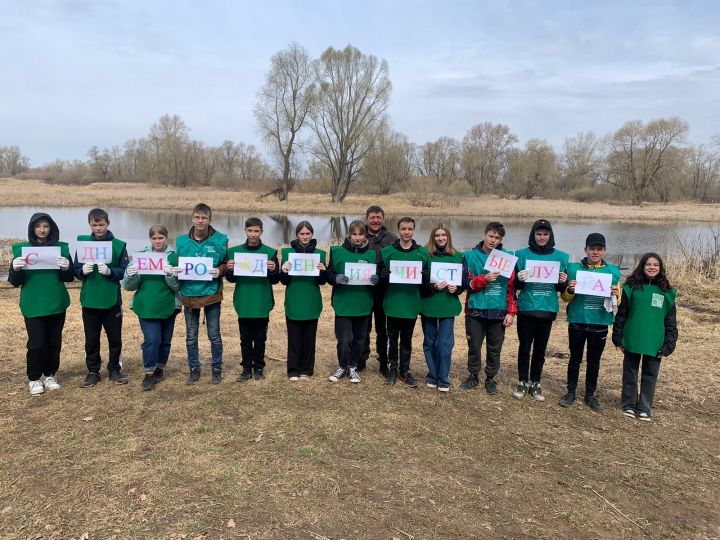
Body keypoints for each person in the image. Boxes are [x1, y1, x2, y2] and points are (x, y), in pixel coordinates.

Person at [9, 213, 74, 395]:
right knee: (37, 343)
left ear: (51, 228)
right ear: (32, 229)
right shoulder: (21, 250)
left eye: (46, 226)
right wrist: (15, 268)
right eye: (38, 226)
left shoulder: (61, 249)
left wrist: (67, 267)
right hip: (33, 303)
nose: (42, 229)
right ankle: (34, 378)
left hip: (56, 301)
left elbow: (68, 278)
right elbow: (15, 282)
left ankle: (50, 374)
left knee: (54, 341)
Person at [559, 233, 621, 412]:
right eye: (592, 249)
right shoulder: (573, 268)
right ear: (585, 249)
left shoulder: (613, 272)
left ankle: (590, 395)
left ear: (604, 251)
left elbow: (619, 303)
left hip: (600, 322)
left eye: (599, 249)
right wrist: (570, 290)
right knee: (575, 359)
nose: (595, 252)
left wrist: (615, 295)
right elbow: (564, 298)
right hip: (578, 321)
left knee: (594, 361)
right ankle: (571, 392)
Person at [612, 253, 678, 421]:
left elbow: (670, 322)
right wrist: (618, 336)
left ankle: (645, 408)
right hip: (633, 337)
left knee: (650, 375)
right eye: (648, 264)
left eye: (656, 265)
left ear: (660, 268)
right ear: (642, 266)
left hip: (655, 341)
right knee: (630, 373)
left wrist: (669, 344)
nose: (652, 267)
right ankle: (628, 404)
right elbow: (622, 314)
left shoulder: (667, 293)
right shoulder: (631, 287)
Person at [168, 203, 228, 385]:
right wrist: (175, 270)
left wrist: (220, 270)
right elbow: (175, 262)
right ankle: (194, 368)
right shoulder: (181, 241)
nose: (200, 221)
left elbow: (227, 262)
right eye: (197, 217)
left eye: (204, 218)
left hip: (211, 294)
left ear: (210, 219)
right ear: (192, 218)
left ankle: (216, 368)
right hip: (189, 294)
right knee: (191, 336)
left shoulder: (221, 239)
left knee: (214, 335)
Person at [512, 219, 569, 401]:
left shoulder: (561, 257)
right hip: (527, 308)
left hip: (547, 309)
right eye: (539, 234)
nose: (542, 237)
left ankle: (536, 382)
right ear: (533, 235)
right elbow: (514, 284)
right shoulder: (521, 255)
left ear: (550, 236)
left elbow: (561, 289)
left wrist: (563, 281)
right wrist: (519, 279)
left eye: (545, 234)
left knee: (540, 349)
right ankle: (522, 381)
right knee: (524, 347)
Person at [74, 208, 130, 388]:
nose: (98, 228)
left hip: (111, 299)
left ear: (108, 223)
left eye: (101, 224)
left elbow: (125, 271)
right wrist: (82, 271)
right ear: (89, 224)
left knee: (114, 338)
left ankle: (114, 369)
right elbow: (75, 269)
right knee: (91, 338)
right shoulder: (83, 244)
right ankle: (93, 372)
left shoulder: (119, 245)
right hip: (90, 299)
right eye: (94, 224)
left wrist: (111, 272)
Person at [460, 222, 517, 394]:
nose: (493, 240)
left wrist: (511, 311)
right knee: (474, 346)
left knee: (494, 348)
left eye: (497, 237)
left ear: (501, 240)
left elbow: (511, 287)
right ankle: (473, 376)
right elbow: (466, 284)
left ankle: (491, 378)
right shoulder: (469, 256)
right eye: (490, 236)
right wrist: (484, 278)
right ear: (484, 235)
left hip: (498, 311)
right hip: (475, 311)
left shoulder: (507, 258)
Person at [122, 225, 180, 391]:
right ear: (150, 239)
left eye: (160, 238)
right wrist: (130, 274)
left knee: (165, 340)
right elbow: (128, 286)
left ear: (166, 238)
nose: (157, 241)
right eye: (154, 238)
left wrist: (170, 275)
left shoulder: (174, 257)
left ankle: (160, 368)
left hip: (168, 304)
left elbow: (177, 287)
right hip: (146, 304)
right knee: (152, 340)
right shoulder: (141, 257)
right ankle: (149, 373)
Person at [326, 220, 381, 383]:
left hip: (363, 303)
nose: (357, 238)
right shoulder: (337, 252)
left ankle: (352, 367)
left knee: (359, 339)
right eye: (354, 234)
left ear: (365, 235)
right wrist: (335, 278)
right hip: (343, 302)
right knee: (344, 340)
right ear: (349, 235)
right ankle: (342, 366)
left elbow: (376, 280)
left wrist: (376, 280)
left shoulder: (372, 254)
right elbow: (329, 274)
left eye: (361, 234)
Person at [226, 217, 279, 381]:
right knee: (245, 338)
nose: (253, 234)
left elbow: (275, 280)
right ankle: (246, 369)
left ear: (261, 232)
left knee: (261, 338)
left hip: (261, 299)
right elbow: (231, 279)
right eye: (250, 230)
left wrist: (273, 269)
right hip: (244, 299)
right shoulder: (234, 252)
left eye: (256, 231)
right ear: (245, 231)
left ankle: (259, 368)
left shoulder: (270, 252)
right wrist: (229, 270)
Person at [380, 216, 430, 387]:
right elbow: (379, 278)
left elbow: (426, 283)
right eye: (403, 229)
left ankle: (404, 371)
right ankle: (392, 370)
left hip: (411, 302)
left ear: (413, 230)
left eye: (410, 229)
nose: (406, 232)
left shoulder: (422, 253)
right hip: (393, 301)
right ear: (398, 230)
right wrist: (383, 276)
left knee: (407, 339)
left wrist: (425, 278)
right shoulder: (388, 252)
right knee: (392, 338)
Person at [279, 221, 327, 380]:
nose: (305, 237)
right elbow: (284, 281)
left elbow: (322, 282)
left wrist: (322, 272)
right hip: (294, 298)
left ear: (312, 234)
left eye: (308, 234)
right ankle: (293, 370)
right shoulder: (287, 253)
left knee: (309, 337)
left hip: (311, 299)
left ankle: (306, 369)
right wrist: (284, 271)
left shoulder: (320, 254)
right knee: (294, 337)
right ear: (297, 235)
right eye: (302, 234)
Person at [420, 224, 464, 392]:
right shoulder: (425, 255)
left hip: (448, 305)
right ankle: (432, 375)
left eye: (443, 235)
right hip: (429, 304)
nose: (440, 238)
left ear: (448, 237)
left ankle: (443, 378)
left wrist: (457, 289)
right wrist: (433, 287)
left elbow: (463, 282)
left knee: (444, 344)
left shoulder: (458, 256)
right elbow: (420, 283)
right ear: (433, 237)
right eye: (437, 235)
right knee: (430, 341)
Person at [360, 205, 397, 375]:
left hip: (384, 291)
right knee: (363, 327)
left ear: (383, 219)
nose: (375, 220)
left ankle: (384, 361)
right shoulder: (358, 235)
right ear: (366, 219)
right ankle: (361, 359)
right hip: (363, 290)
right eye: (372, 217)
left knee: (383, 328)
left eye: (378, 217)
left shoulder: (391, 239)